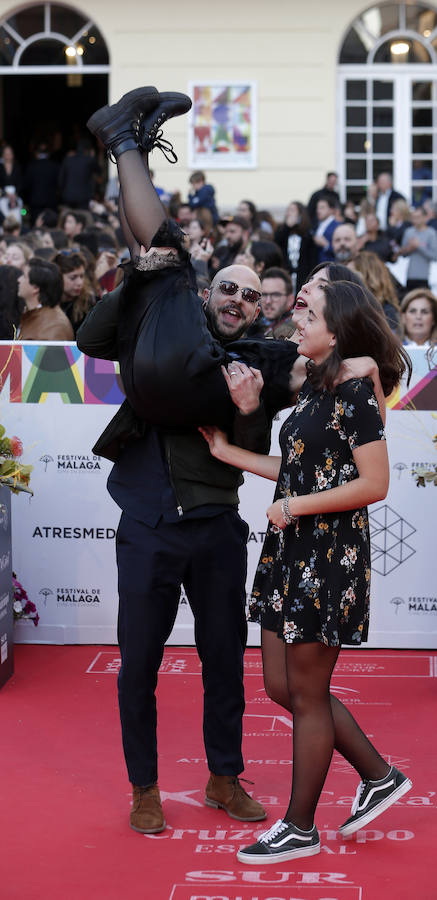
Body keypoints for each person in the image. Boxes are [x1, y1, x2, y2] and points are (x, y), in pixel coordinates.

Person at [78, 85, 283, 836]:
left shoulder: (252, 359)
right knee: (138, 666)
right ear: (206, 291)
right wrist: (134, 276)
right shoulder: (165, 317)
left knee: (224, 662)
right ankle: (144, 788)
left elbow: (257, 449)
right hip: (146, 523)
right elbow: (92, 342)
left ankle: (224, 778)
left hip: (216, 527)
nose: (236, 300)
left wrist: (247, 404)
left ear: (259, 311)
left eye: (250, 297)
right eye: (226, 288)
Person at [200, 277, 412, 864]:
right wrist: (228, 453)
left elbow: (375, 483)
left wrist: (293, 507)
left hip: (327, 555)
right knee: (281, 685)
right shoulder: (318, 386)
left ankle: (299, 826)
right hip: (291, 550)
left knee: (309, 692)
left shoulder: (355, 392)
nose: (296, 322)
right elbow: (297, 468)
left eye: (309, 315)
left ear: (336, 330)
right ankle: (378, 774)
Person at [17, 259, 74, 340]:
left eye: (24, 276)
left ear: (35, 288)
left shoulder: (53, 327)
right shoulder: (35, 314)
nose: (19, 280)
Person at [348, 250, 400, 333]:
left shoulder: (388, 312)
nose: (345, 280)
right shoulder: (346, 309)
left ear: (368, 277)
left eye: (351, 275)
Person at [273, 202, 316, 294]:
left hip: (303, 275)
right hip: (286, 274)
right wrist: (287, 227)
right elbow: (276, 244)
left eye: (292, 210)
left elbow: (312, 258)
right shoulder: (282, 230)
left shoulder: (308, 234)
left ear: (300, 214)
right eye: (288, 210)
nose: (289, 213)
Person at [247, 267, 295, 339]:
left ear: (290, 300)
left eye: (275, 295)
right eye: (264, 294)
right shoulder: (251, 324)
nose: (268, 301)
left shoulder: (297, 331)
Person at [54, 250, 95, 334]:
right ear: (58, 277)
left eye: (81, 276)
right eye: (73, 278)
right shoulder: (47, 303)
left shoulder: (90, 304)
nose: (80, 283)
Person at [399, 206, 437, 290]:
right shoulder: (408, 232)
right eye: (413, 217)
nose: (415, 220)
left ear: (425, 217)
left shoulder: (431, 233)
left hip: (425, 277)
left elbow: (434, 256)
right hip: (409, 275)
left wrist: (418, 246)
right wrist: (409, 248)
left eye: (417, 217)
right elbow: (403, 254)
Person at [312, 198, 338, 264]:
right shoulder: (316, 225)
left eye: (322, 208)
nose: (318, 211)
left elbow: (342, 249)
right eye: (317, 208)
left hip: (331, 266)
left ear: (331, 210)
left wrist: (326, 245)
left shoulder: (337, 226)